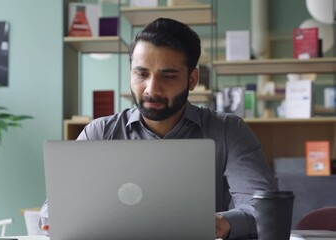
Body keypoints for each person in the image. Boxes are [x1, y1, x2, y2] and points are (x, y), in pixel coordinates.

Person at [40, 17, 278, 239]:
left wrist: (222, 223)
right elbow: (52, 211)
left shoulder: (228, 130)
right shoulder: (100, 132)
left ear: (192, 79)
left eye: (168, 76)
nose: (151, 89)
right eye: (142, 74)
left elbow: (264, 207)